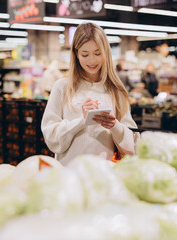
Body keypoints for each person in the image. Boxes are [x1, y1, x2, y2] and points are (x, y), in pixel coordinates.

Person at [41, 22, 140, 165]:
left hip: (105, 176)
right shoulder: (62, 87)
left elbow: (133, 146)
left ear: (106, 52)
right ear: (76, 54)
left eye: (98, 53)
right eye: (85, 54)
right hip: (69, 176)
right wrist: (81, 121)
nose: (92, 60)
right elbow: (51, 138)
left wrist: (114, 125)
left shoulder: (116, 91)